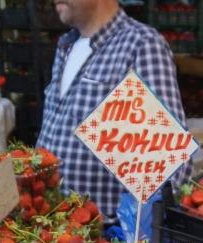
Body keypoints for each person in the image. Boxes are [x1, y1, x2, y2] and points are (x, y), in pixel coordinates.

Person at [36, 0, 188, 223]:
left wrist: (133, 237)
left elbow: (170, 165)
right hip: (52, 231)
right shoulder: (66, 45)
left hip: (103, 239)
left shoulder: (140, 44)